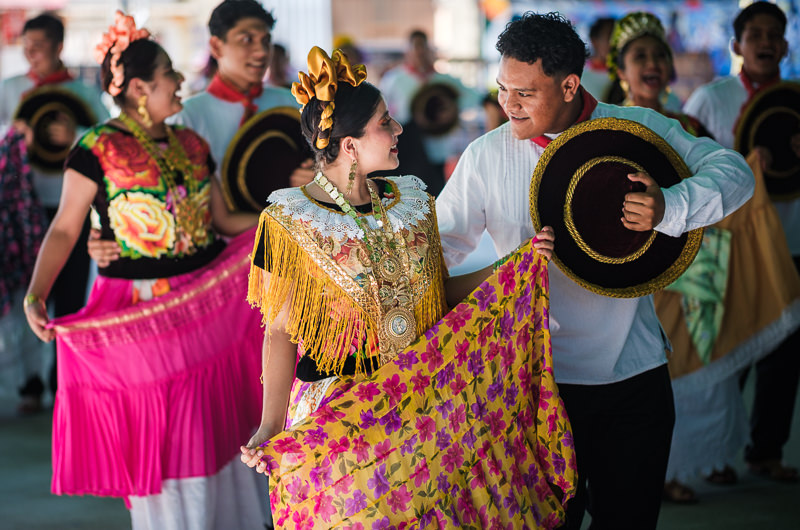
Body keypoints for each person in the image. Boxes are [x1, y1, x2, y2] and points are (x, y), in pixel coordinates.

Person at [436, 12, 754, 529]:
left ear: (569, 85)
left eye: (523, 93)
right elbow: (439, 248)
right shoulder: (486, 156)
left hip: (632, 378)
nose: (506, 105)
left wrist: (670, 206)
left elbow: (735, 174)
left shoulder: (638, 130)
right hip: (533, 386)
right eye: (502, 89)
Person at [239, 46, 576, 529]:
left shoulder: (410, 201)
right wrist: (271, 425)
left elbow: (439, 294)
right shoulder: (289, 220)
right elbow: (280, 332)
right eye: (384, 122)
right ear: (349, 144)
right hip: (340, 410)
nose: (399, 130)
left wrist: (515, 265)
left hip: (421, 398)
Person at [23, 11, 267, 529]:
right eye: (169, 75)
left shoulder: (192, 146)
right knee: (168, 431)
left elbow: (222, 219)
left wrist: (286, 215)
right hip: (141, 310)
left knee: (213, 419)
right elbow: (66, 228)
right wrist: (36, 294)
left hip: (208, 301)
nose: (180, 81)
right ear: (139, 88)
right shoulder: (96, 149)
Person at [608, 10, 800, 504]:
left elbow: (722, 186)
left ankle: (711, 457)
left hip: (699, 261)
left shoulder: (689, 124)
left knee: (707, 359)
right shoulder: (609, 127)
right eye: (640, 56)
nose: (652, 64)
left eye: (659, 55)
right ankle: (665, 468)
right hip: (640, 268)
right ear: (621, 71)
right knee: (658, 369)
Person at [88, 0, 314, 269]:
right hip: (217, 262)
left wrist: (313, 180)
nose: (260, 51)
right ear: (216, 46)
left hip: (288, 248)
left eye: (266, 41)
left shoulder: (291, 105)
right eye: (246, 39)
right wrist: (102, 234)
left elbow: (322, 172)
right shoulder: (186, 117)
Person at [684, 0, 800, 483]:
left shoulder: (797, 99)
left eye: (775, 33)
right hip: (727, 244)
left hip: (791, 238)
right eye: (756, 34)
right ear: (737, 45)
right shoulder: (711, 100)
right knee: (726, 348)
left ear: (786, 45)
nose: (767, 41)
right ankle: (714, 456)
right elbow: (685, 163)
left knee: (784, 349)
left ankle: (765, 452)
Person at [0, 12, 109, 414]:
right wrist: (14, 134)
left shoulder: (84, 94)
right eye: (26, 47)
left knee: (70, 293)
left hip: (70, 207)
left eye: (39, 47)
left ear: (58, 46)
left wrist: (75, 136)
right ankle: (27, 380)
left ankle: (64, 380)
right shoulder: (11, 89)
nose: (31, 54)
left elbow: (105, 142)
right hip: (18, 208)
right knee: (23, 292)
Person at [378, 30, 482, 191]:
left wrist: (450, 108)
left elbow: (474, 98)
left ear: (429, 50)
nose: (420, 53)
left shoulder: (444, 80)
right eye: (415, 48)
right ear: (408, 51)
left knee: (435, 193)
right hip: (406, 148)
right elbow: (380, 111)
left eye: (423, 48)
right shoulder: (394, 79)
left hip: (437, 149)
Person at [580, 16, 615, 102]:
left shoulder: (625, 75)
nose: (614, 43)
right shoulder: (580, 76)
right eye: (610, 37)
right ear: (594, 40)